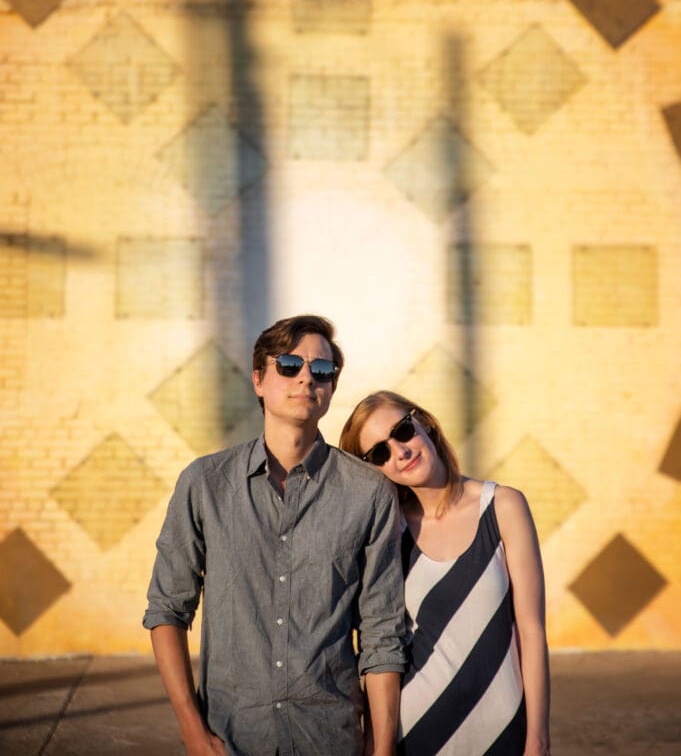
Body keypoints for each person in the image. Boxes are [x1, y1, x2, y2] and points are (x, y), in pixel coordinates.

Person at [143, 315, 407, 756]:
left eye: (321, 369)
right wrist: (192, 731)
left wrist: (381, 749)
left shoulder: (369, 492)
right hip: (232, 737)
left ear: (331, 388)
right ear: (258, 380)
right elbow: (167, 610)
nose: (306, 377)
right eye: (288, 365)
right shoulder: (205, 484)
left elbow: (382, 632)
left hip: (330, 737)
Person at [339, 390, 551, 756]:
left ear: (424, 423)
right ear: (373, 469)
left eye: (403, 431)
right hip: (416, 735)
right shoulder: (387, 534)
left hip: (503, 733)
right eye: (380, 453)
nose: (400, 452)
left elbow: (531, 631)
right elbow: (378, 648)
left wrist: (538, 739)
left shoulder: (503, 506)